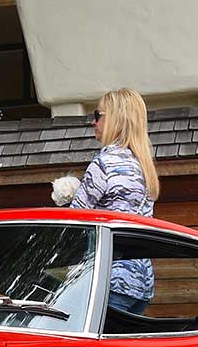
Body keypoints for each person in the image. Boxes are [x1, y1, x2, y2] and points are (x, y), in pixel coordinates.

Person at [67, 88, 160, 314]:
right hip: (141, 284)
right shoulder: (143, 166)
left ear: (115, 119)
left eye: (97, 115)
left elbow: (73, 220)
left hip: (109, 281)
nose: (93, 122)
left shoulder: (104, 164)